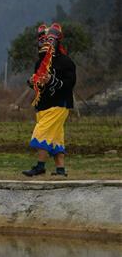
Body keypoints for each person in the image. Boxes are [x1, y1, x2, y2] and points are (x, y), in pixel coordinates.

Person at [23, 23, 76, 177]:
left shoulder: (66, 62)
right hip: (43, 105)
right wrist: (33, 83)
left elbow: (70, 84)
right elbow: (39, 86)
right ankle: (60, 170)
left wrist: (52, 80)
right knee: (56, 137)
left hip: (59, 104)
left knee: (42, 133)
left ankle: (40, 166)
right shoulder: (39, 63)